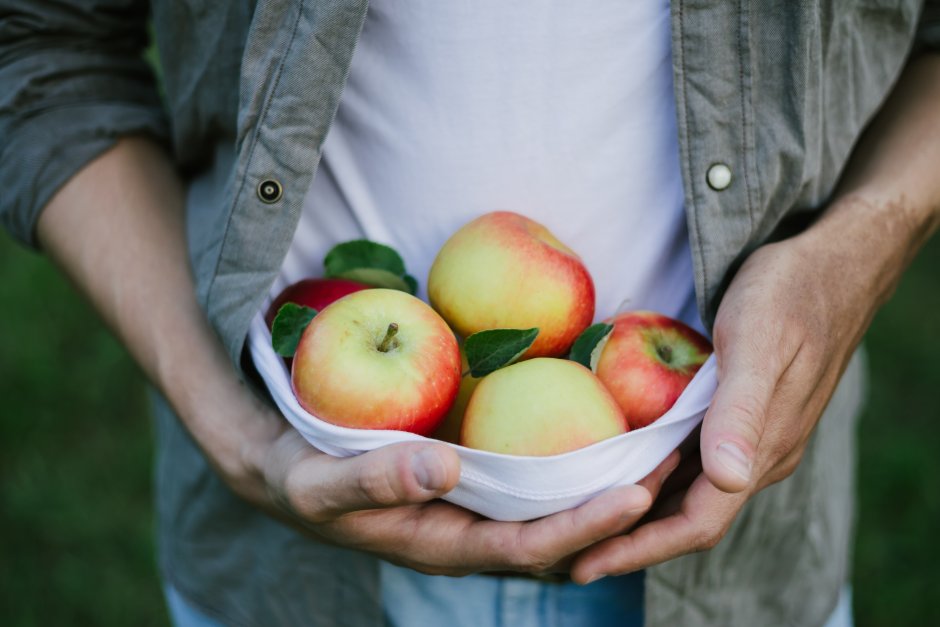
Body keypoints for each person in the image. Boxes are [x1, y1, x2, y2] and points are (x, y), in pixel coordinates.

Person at [1, 1, 938, 626]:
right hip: (287, 554)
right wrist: (230, 422)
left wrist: (863, 248)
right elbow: (37, 38)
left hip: (735, 554)